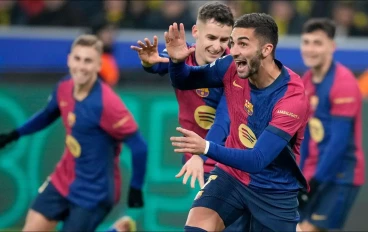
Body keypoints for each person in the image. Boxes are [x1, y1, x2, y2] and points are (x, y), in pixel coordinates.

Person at [166, 13, 309, 232]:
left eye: (242, 44)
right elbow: (185, 80)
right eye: (232, 44)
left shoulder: (291, 97)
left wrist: (205, 147)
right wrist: (176, 62)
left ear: (266, 50)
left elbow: (257, 159)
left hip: (274, 191)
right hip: (230, 176)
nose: (233, 51)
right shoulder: (230, 66)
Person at [0, 35, 147, 231]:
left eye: (88, 61)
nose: (81, 66)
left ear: (98, 65)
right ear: (69, 59)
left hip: (95, 191)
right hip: (63, 178)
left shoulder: (107, 104)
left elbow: (139, 147)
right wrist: (14, 134)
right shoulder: (64, 86)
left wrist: (136, 188)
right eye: (77, 59)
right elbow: (47, 115)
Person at [131, 2, 232, 189]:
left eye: (224, 40)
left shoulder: (234, 69)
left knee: (206, 215)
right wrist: (148, 63)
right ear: (195, 32)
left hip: (226, 157)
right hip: (196, 156)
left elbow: (223, 121)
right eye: (211, 37)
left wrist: (200, 155)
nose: (217, 46)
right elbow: (159, 64)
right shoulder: (182, 52)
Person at [298, 18, 365, 232]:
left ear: (332, 47)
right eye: (306, 42)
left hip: (340, 175)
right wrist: (300, 176)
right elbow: (306, 136)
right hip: (313, 173)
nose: (310, 49)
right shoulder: (306, 80)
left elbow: (339, 143)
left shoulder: (343, 83)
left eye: (317, 43)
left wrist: (314, 183)